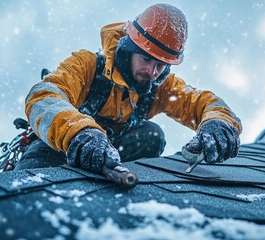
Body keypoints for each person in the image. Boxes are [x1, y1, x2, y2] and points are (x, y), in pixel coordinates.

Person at [15, 3, 242, 174]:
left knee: (152, 135)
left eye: (161, 65)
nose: (153, 72)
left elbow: (202, 102)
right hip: (61, 149)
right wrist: (80, 133)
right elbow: (42, 97)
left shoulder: (160, 87)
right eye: (146, 60)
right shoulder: (87, 65)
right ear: (128, 49)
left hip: (114, 157)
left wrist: (218, 123)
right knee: (31, 178)